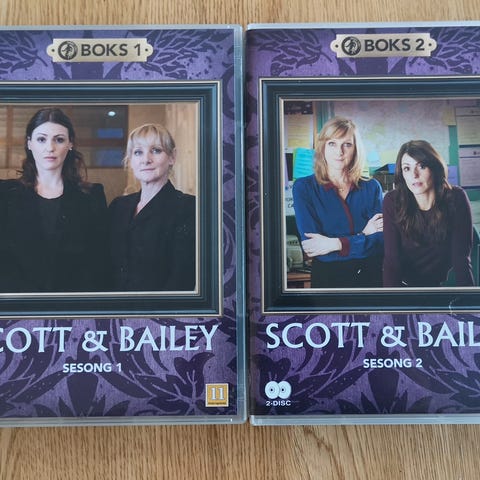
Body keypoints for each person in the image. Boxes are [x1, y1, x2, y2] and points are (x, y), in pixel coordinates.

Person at [0, 107, 108, 292]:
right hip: (16, 304)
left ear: (70, 143)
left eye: (59, 139)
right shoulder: (5, 193)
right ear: (29, 143)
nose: (50, 148)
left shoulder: (91, 196)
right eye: (41, 139)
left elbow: (99, 263)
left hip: (73, 304)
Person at [292, 116, 384, 288]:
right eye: (332, 144)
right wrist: (363, 235)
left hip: (370, 278)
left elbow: (379, 242)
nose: (339, 152)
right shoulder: (304, 188)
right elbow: (314, 248)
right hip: (328, 279)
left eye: (347, 144)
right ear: (322, 147)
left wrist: (333, 244)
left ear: (356, 149)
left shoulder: (372, 187)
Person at [109, 123, 196, 291]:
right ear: (130, 161)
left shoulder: (188, 207)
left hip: (161, 307)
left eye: (156, 150)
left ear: (172, 157)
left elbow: (181, 278)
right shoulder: (118, 207)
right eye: (138, 152)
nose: (146, 159)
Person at [383, 140, 474, 287]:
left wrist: (469, 301)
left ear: (434, 168)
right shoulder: (392, 201)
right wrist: (393, 301)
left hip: (436, 286)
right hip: (401, 286)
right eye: (407, 168)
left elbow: (461, 260)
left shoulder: (456, 198)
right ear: (402, 174)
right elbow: (392, 263)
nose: (414, 175)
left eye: (422, 166)